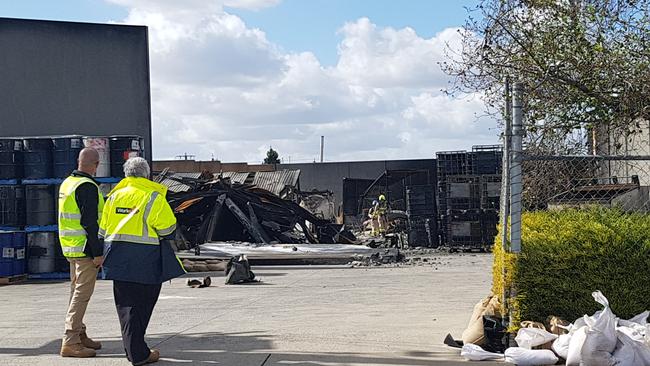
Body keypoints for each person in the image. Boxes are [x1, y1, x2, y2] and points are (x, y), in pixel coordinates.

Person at [100, 157, 185, 366]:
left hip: (117, 257)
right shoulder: (153, 196)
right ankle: (137, 352)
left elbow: (102, 229)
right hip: (145, 259)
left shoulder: (113, 196)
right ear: (146, 174)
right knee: (142, 305)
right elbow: (168, 229)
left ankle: (133, 349)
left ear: (126, 174)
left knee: (126, 306)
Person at [58, 147, 105, 358]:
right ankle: (70, 340)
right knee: (81, 296)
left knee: (75, 293)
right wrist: (97, 253)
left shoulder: (68, 183)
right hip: (85, 248)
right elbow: (90, 223)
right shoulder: (87, 186)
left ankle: (80, 334)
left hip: (70, 246)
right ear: (96, 165)